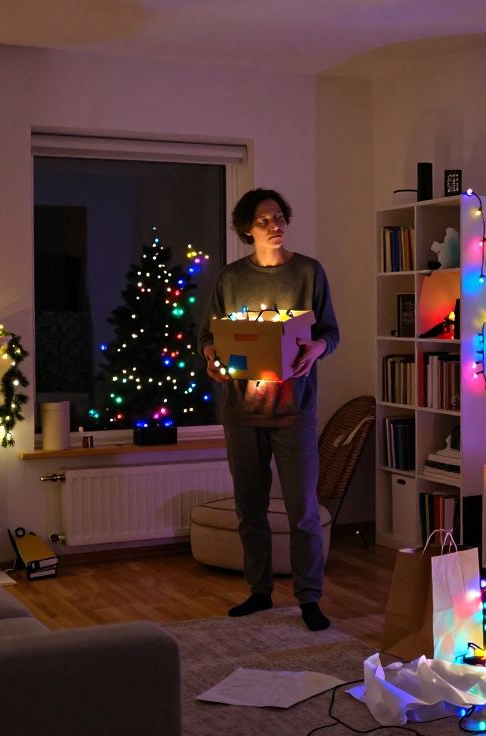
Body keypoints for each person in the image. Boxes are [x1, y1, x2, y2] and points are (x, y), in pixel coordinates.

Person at [198, 188, 340, 631]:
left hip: (294, 411)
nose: (275, 225)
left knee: (302, 510)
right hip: (241, 411)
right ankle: (259, 592)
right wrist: (212, 359)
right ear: (247, 229)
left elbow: (331, 333)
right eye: (264, 220)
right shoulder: (230, 279)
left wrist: (316, 347)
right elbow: (208, 336)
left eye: (279, 216)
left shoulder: (309, 273)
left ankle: (309, 598)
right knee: (250, 507)